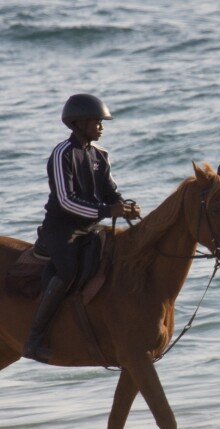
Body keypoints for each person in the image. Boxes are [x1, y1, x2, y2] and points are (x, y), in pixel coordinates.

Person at [23, 93, 141, 362]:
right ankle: (34, 338)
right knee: (68, 271)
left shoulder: (101, 155)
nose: (101, 126)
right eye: (97, 121)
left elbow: (111, 192)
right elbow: (66, 201)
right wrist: (105, 211)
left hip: (89, 229)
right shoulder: (62, 154)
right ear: (78, 123)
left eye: (102, 122)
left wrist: (124, 206)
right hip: (60, 231)